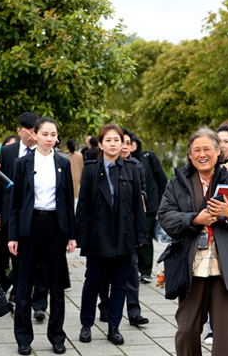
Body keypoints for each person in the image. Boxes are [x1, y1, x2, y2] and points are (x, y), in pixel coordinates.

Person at [157, 127, 228, 356]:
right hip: (191, 267)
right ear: (189, 155)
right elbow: (165, 217)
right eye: (196, 150)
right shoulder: (177, 183)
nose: (202, 154)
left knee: (225, 335)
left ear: (218, 151)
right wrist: (194, 219)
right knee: (187, 329)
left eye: (207, 148)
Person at [8, 117, 77, 355]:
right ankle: (23, 338)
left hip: (55, 227)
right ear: (34, 135)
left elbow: (68, 201)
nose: (49, 138)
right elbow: (15, 202)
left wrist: (71, 235)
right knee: (24, 284)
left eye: (53, 134)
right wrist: (12, 235)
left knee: (57, 286)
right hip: (29, 226)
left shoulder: (63, 163)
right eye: (45, 134)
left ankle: (57, 336)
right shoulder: (22, 163)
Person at [76, 124, 147, 346]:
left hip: (124, 235)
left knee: (120, 284)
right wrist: (82, 238)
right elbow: (83, 207)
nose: (114, 144)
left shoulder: (132, 169)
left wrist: (140, 236)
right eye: (108, 140)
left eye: (118, 140)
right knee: (92, 282)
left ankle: (113, 327)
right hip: (98, 235)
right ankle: (86, 324)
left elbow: (137, 206)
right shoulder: (90, 170)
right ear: (100, 144)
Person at [97, 128, 149, 327]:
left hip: (128, 226)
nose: (124, 147)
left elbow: (141, 190)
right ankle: (105, 306)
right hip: (107, 227)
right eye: (121, 142)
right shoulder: (101, 167)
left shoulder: (136, 167)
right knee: (104, 272)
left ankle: (134, 311)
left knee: (131, 270)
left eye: (127, 143)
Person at [0, 112, 40, 298]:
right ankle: (11, 288)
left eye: (34, 131)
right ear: (19, 131)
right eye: (28, 132)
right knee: (3, 256)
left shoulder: (43, 151)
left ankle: (29, 297)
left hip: (34, 213)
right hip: (8, 213)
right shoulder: (8, 151)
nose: (32, 136)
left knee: (33, 258)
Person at [128, 132, 168, 283]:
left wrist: (163, 203)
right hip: (128, 208)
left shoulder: (148, 156)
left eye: (131, 143)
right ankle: (133, 268)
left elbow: (162, 179)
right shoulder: (121, 161)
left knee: (144, 238)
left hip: (149, 207)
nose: (129, 146)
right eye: (125, 143)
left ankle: (145, 271)